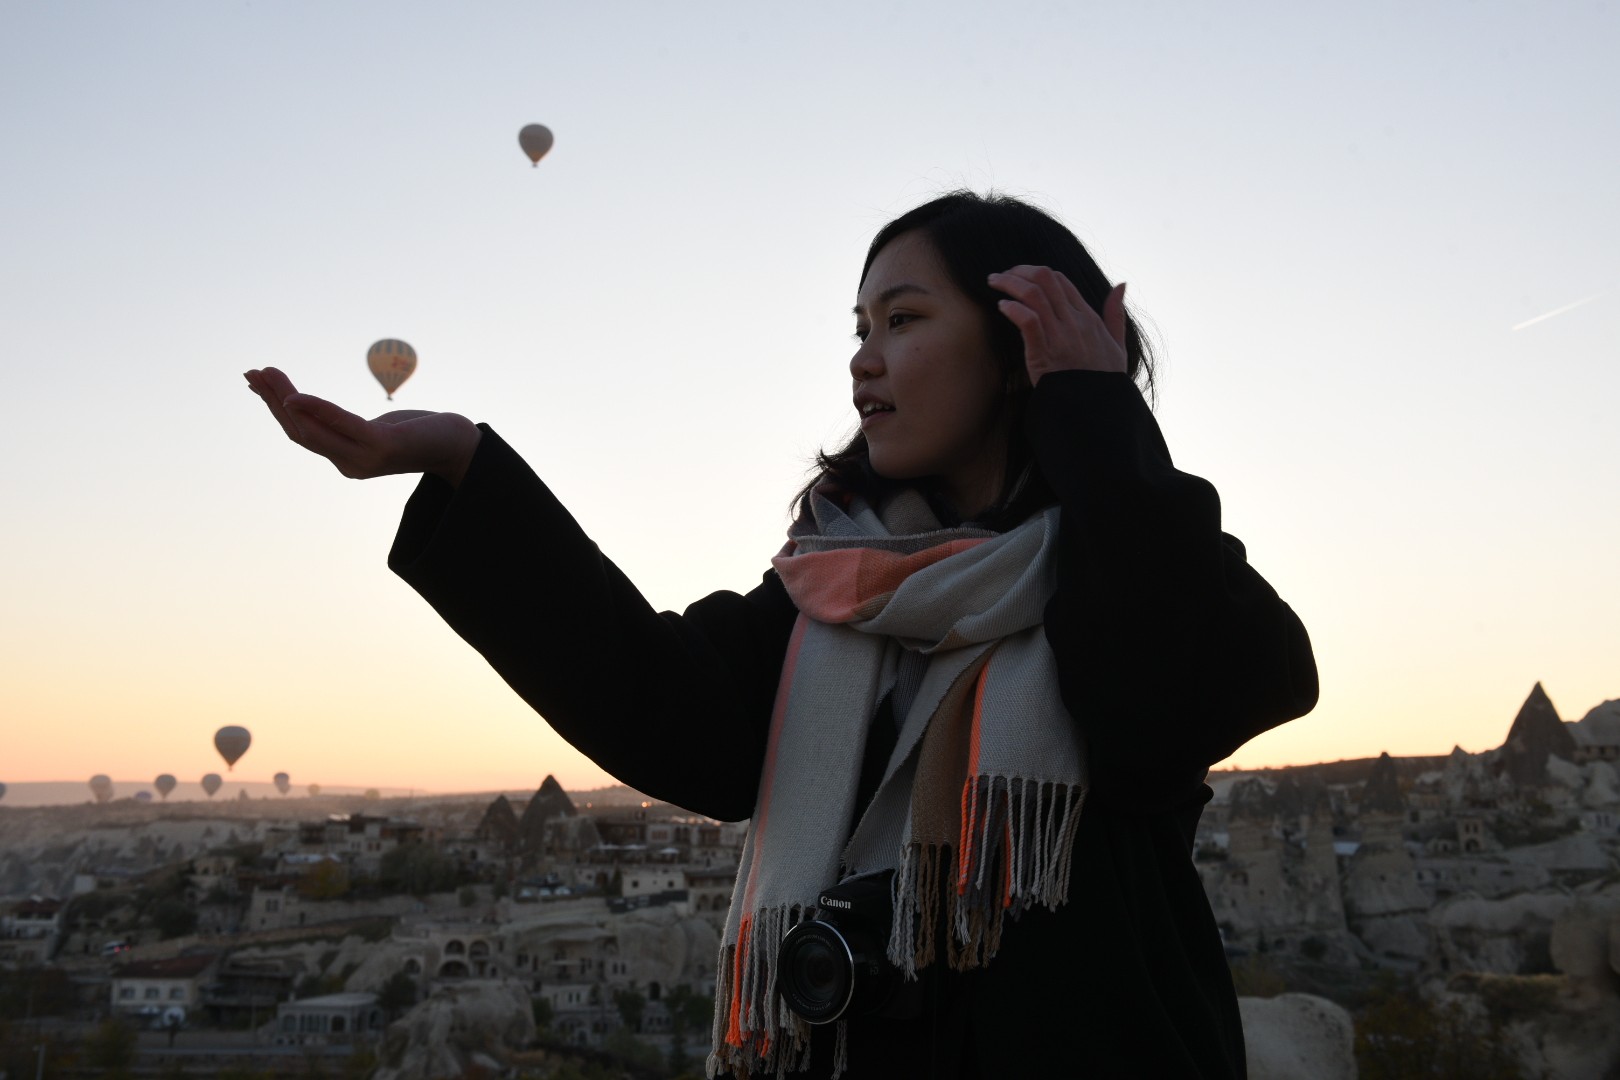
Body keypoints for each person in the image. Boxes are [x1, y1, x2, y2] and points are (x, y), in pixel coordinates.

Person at [246, 190, 1318, 1078]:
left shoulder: (1131, 564)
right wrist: (465, 468)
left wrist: (1096, 418)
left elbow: (1169, 698)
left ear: (1016, 348)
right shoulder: (836, 588)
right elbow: (664, 711)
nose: (863, 363)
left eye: (903, 321)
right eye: (860, 329)